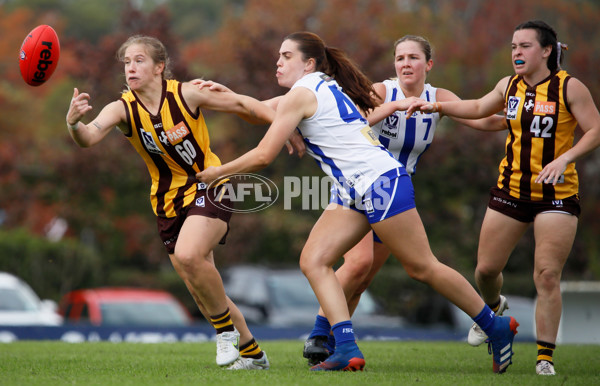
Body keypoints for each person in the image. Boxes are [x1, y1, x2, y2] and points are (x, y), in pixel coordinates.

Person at [197, 31, 519, 373]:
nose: (278, 61)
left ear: (309, 63)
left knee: (422, 266)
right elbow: (257, 109)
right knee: (314, 260)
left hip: (381, 183)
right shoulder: (320, 86)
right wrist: (226, 93)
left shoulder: (304, 92)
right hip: (358, 190)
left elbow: (263, 155)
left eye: (286, 56)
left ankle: (494, 325)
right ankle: (346, 347)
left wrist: (219, 172)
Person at [65, 35, 281, 370]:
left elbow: (241, 105)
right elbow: (88, 138)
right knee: (201, 287)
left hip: (210, 184)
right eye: (126, 62)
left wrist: (284, 125)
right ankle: (253, 353)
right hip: (166, 202)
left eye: (138, 60)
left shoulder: (186, 93)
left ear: (159, 67)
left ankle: (224, 334)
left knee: (189, 254)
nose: (131, 68)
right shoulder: (121, 108)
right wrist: (73, 123)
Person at [407, 20, 600, 376]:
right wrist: (438, 107)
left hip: (556, 194)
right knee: (485, 270)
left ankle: (544, 358)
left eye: (525, 46)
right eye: (513, 46)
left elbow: (596, 129)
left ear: (546, 51)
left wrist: (566, 158)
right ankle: (494, 308)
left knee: (545, 275)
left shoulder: (568, 87)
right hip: (511, 190)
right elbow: (480, 107)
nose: (517, 53)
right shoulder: (508, 85)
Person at [302, 35, 507, 367]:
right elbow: (350, 125)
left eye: (413, 58)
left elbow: (482, 118)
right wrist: (393, 107)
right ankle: (321, 335)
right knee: (356, 264)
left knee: (373, 274)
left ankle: (331, 342)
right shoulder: (383, 92)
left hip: (392, 190)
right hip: (357, 185)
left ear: (428, 64)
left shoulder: (437, 98)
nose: (406, 64)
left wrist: (520, 121)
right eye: (400, 58)